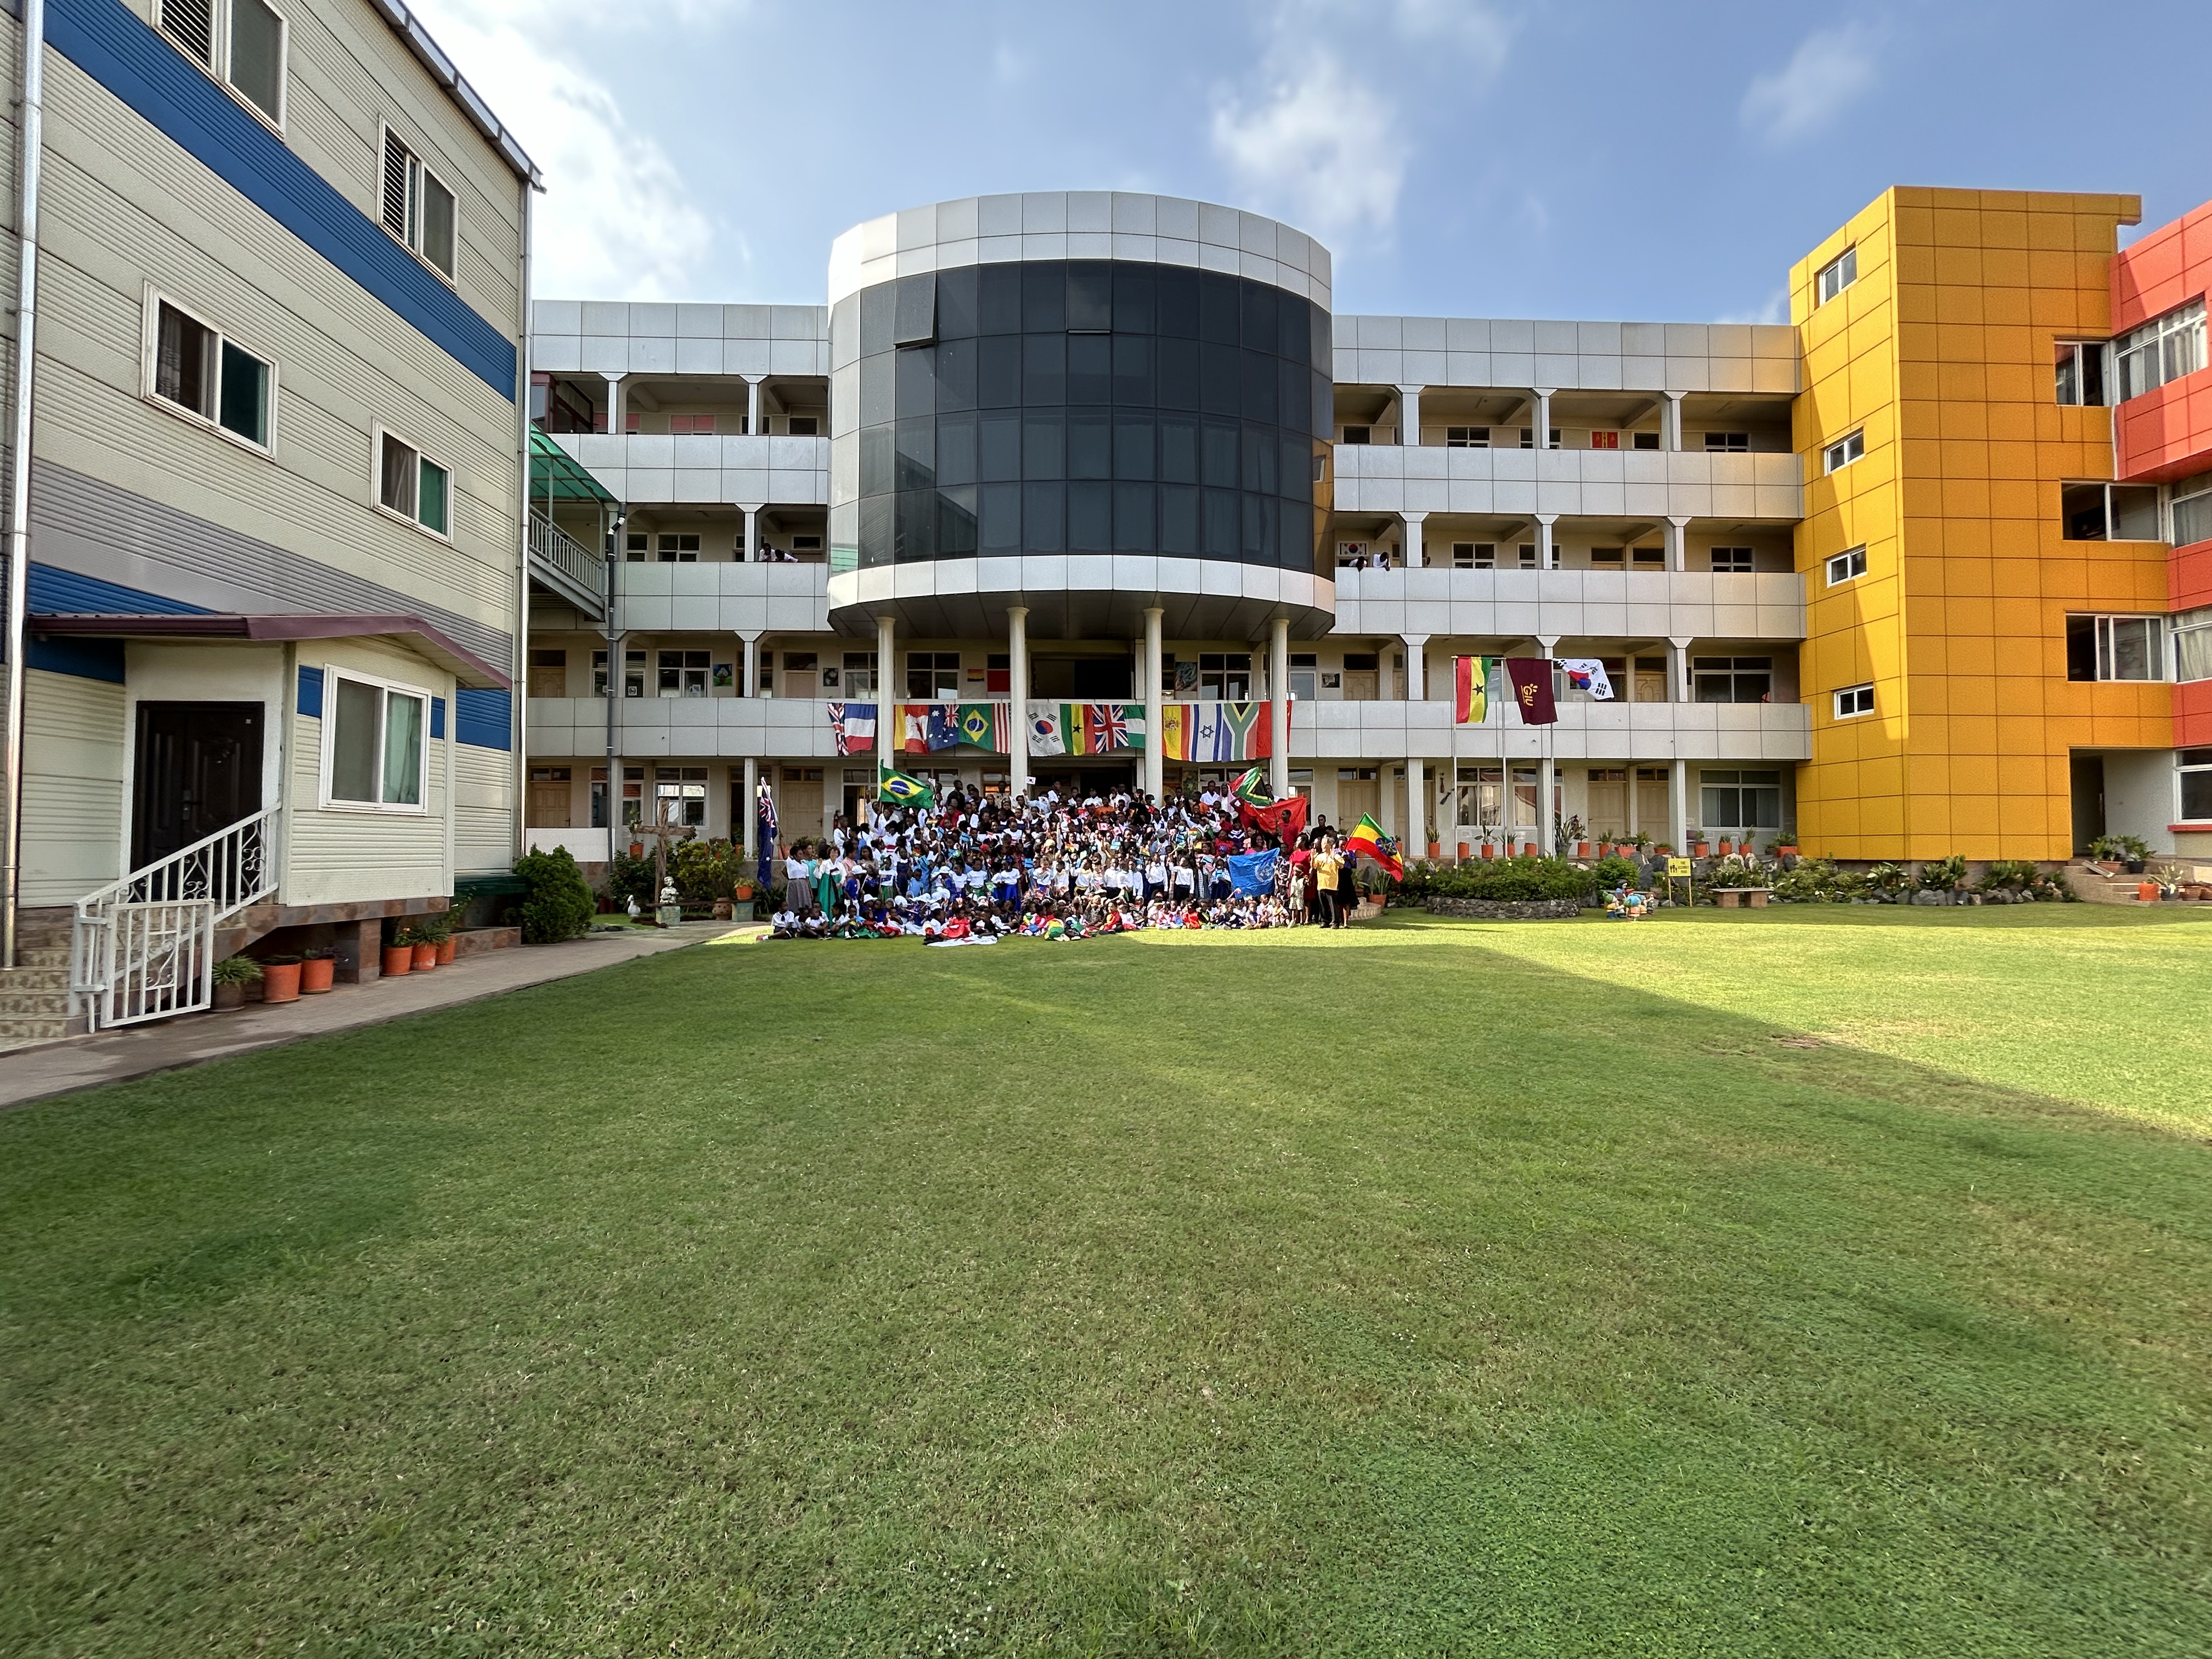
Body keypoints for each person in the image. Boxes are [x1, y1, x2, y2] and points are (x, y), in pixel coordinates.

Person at [1311, 834, 1344, 929]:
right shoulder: (1319, 857)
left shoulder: (1336, 856)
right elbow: (1314, 866)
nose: (1322, 846)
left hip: (1332, 885)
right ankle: (1324, 922)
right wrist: (1313, 858)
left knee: (1333, 905)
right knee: (1323, 905)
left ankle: (1335, 923)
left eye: (1324, 843)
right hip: (1321, 884)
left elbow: (1342, 866)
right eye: (1322, 843)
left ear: (1330, 845)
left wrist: (1334, 859)